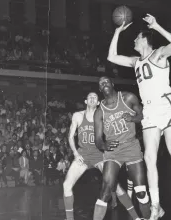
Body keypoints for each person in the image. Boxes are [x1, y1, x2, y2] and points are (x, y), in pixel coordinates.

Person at [107, 14, 170, 220]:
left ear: (144, 39)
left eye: (136, 38)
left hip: (167, 109)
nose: (133, 41)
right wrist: (117, 32)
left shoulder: (160, 54)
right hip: (150, 113)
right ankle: (156, 206)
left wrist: (157, 26)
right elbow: (112, 57)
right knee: (149, 159)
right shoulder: (136, 61)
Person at [63, 92, 142, 220]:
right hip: (83, 155)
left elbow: (120, 125)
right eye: (90, 97)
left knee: (117, 188)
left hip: (100, 155)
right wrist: (75, 154)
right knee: (66, 185)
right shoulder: (78, 116)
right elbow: (71, 136)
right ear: (85, 101)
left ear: (99, 102)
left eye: (95, 97)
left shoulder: (103, 116)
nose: (93, 98)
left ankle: (136, 217)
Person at [93, 77, 151, 220]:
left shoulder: (128, 97)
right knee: (105, 192)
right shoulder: (99, 111)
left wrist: (132, 119)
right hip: (113, 151)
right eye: (101, 84)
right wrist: (103, 145)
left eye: (106, 81)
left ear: (113, 84)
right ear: (100, 89)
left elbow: (142, 115)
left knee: (141, 192)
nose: (104, 84)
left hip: (131, 146)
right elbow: (98, 140)